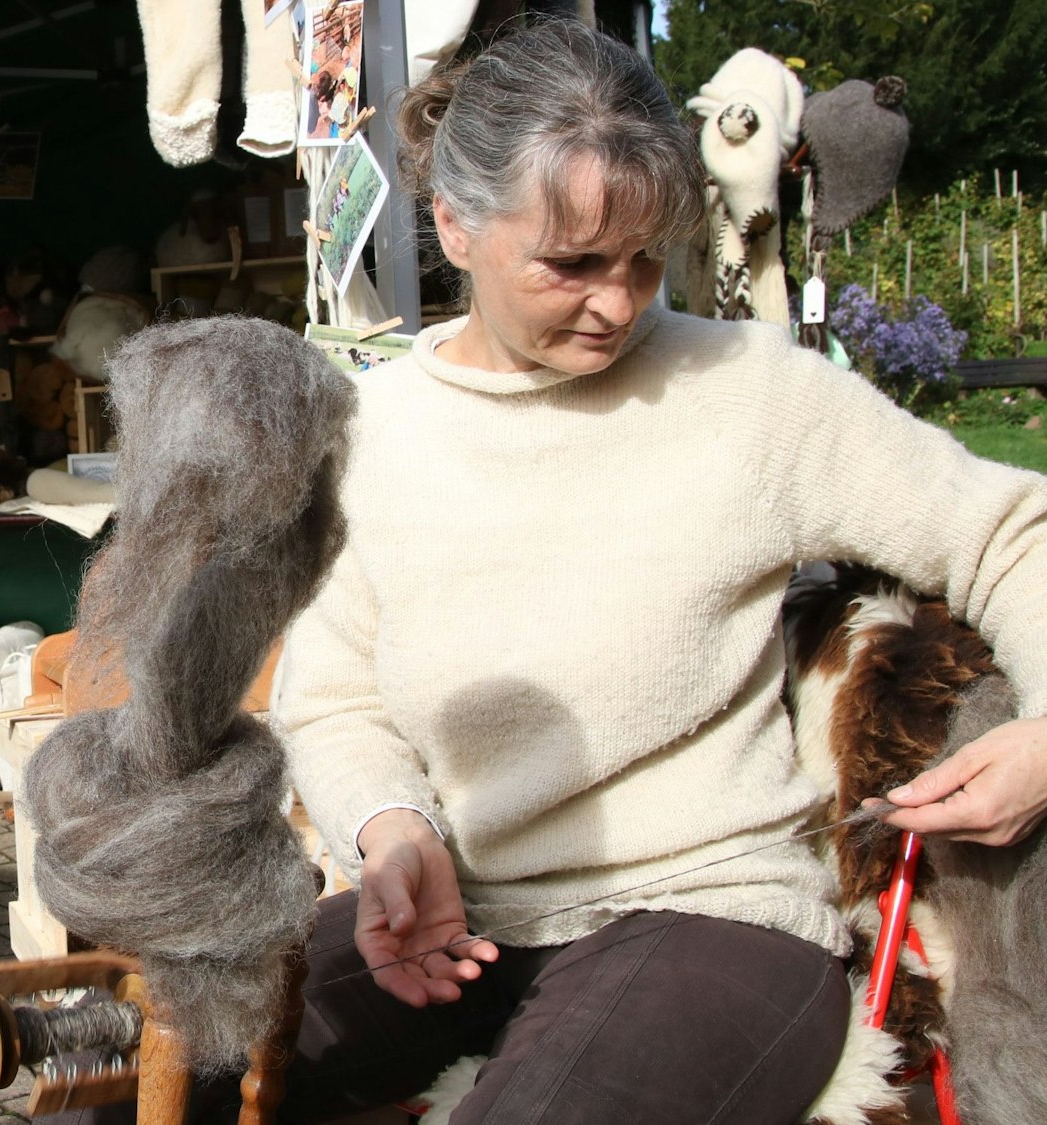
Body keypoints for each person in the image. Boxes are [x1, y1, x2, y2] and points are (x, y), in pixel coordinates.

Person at [59, 20, 1047, 1125]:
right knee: (140, 1101)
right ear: (454, 227)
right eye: (570, 264)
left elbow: (1012, 531)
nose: (618, 303)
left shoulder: (757, 397)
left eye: (643, 258)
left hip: (711, 918)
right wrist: (392, 834)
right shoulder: (370, 432)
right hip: (462, 915)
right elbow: (333, 698)